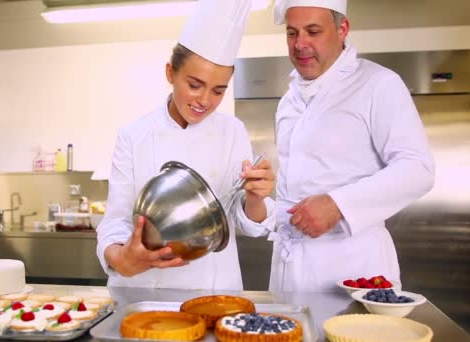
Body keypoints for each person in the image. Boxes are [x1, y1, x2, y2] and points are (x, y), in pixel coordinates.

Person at [96, 0, 276, 291]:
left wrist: (256, 197)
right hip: (145, 291)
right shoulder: (134, 135)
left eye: (218, 91)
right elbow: (116, 221)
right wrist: (119, 257)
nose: (205, 100)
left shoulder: (232, 131)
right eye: (194, 85)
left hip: (214, 291)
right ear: (171, 73)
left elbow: (247, 223)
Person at [269, 0, 435, 292]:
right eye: (292, 33)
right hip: (290, 270)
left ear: (342, 28)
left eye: (313, 31)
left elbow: (418, 168)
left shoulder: (378, 84)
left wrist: (338, 205)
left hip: (353, 267)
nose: (300, 44)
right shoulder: (287, 101)